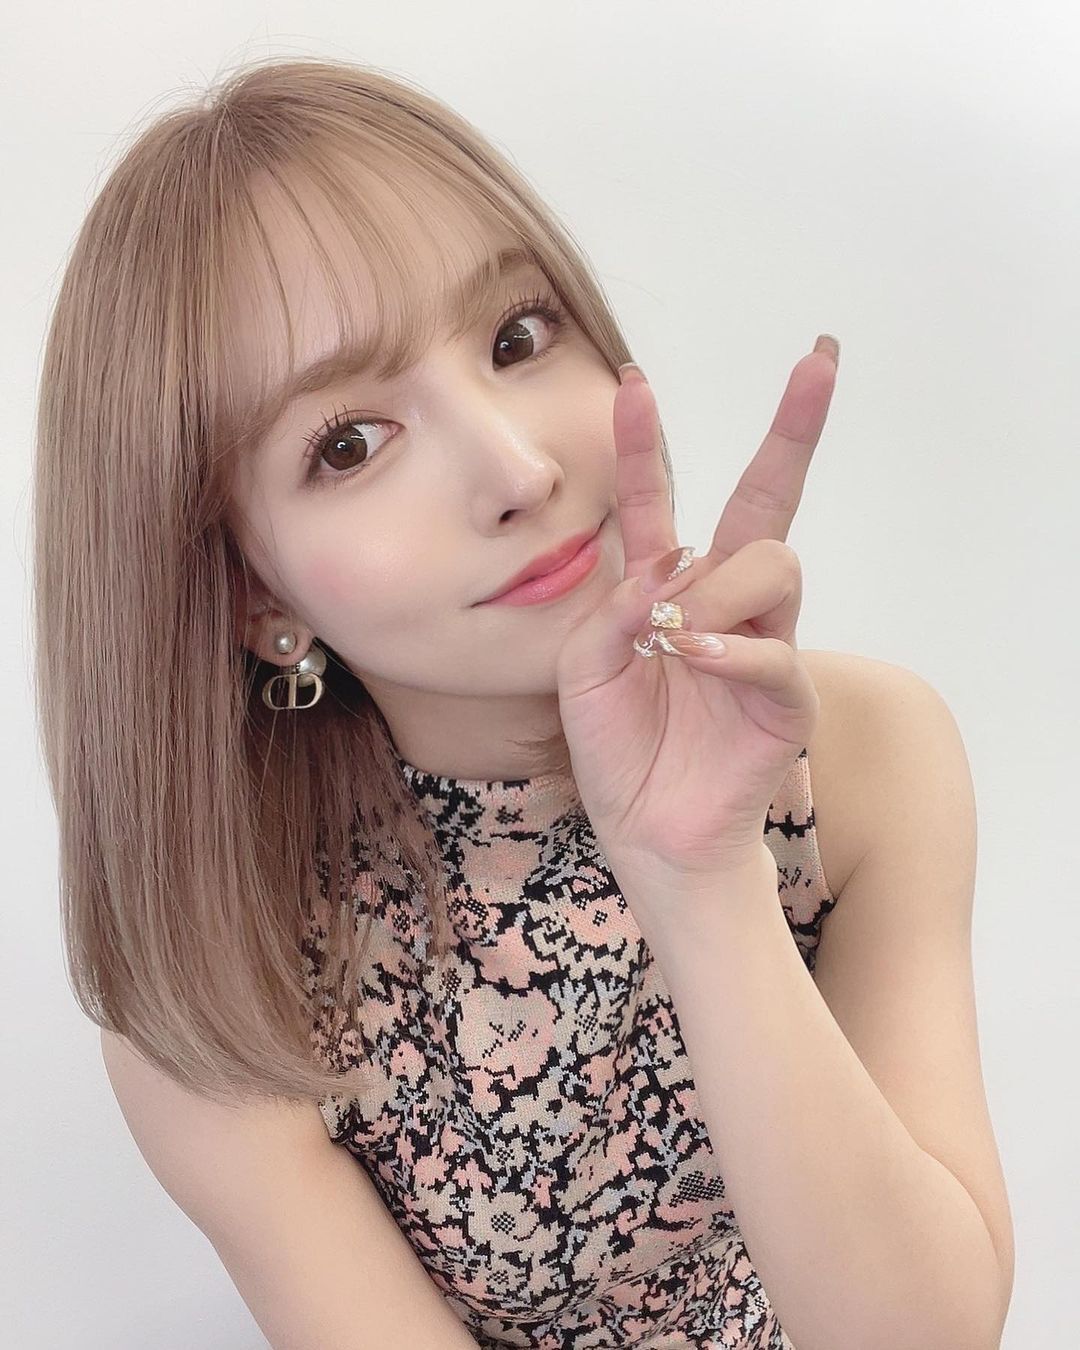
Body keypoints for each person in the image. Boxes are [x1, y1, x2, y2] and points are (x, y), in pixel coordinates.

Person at [33, 55, 1013, 1350]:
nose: (518, 467)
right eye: (347, 443)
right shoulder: (229, 981)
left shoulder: (866, 754)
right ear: (252, 596)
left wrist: (702, 877)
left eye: (516, 337)